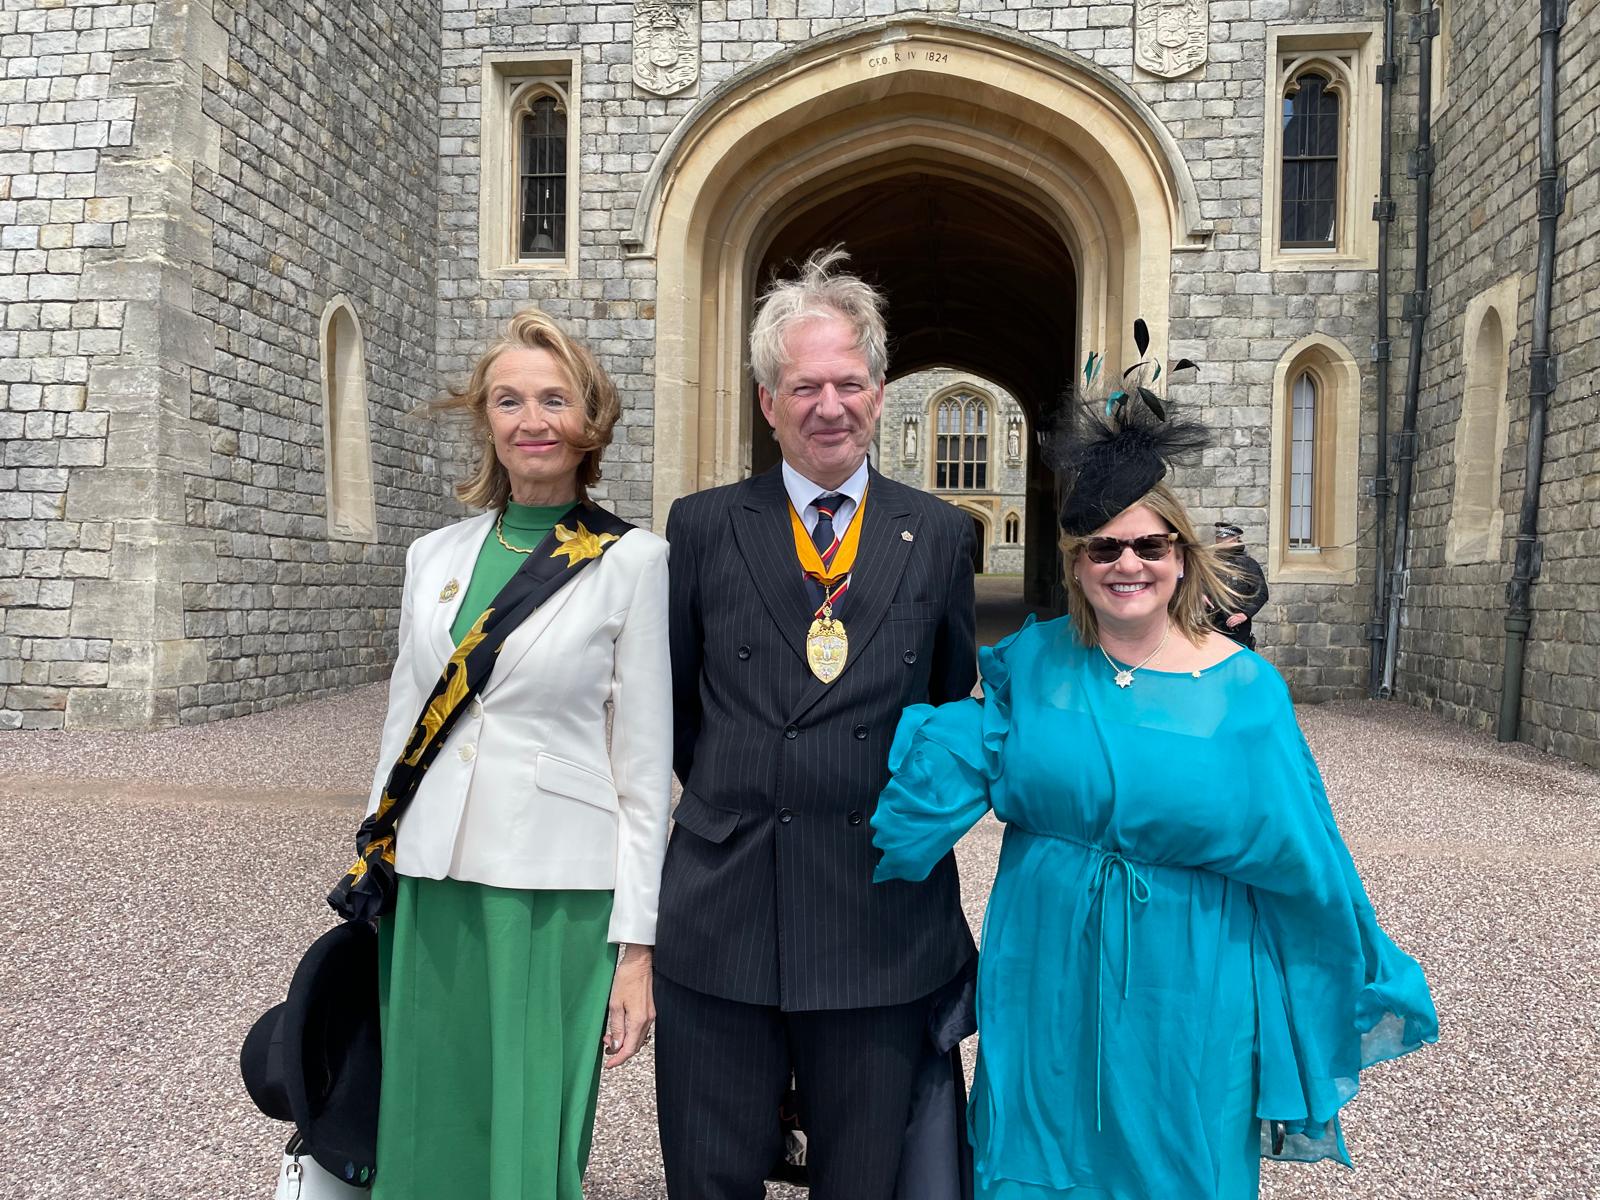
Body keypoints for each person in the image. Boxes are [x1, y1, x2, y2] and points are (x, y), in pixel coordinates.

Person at [871, 383, 1438, 1199]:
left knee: (1182, 1160)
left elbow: (1304, 853)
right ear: (1077, 565)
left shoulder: (1246, 691)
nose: (1128, 564)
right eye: (1104, 548)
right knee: (1032, 1156)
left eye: (1149, 545)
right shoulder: (1032, 663)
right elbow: (961, 757)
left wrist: (1344, 967)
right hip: (1043, 962)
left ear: (1182, 555)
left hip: (1189, 975)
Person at [654, 247, 980, 1200]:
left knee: (864, 1180)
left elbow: (945, 706)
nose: (827, 406)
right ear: (768, 402)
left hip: (876, 915)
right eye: (804, 387)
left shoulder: (939, 534)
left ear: (879, 392)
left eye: (847, 383)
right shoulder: (703, 526)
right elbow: (679, 707)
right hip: (725, 906)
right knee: (710, 1177)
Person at [357, 310, 671, 1200]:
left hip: (551, 889)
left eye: (554, 399)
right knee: (425, 1116)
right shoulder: (434, 556)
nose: (532, 420)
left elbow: (646, 771)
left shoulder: (633, 562)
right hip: (429, 881)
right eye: (509, 400)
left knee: (527, 1132)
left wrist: (637, 947)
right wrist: (373, 858)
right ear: (485, 420)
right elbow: (405, 724)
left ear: (589, 420)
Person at [1208, 522, 1268, 648]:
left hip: (1238, 629)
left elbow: (1261, 593)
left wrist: (1244, 614)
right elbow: (1199, 586)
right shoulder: (1211, 564)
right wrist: (1200, 595)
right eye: (1218, 537)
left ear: (1234, 539)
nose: (1218, 541)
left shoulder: (1248, 564)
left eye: (1222, 537)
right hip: (1213, 626)